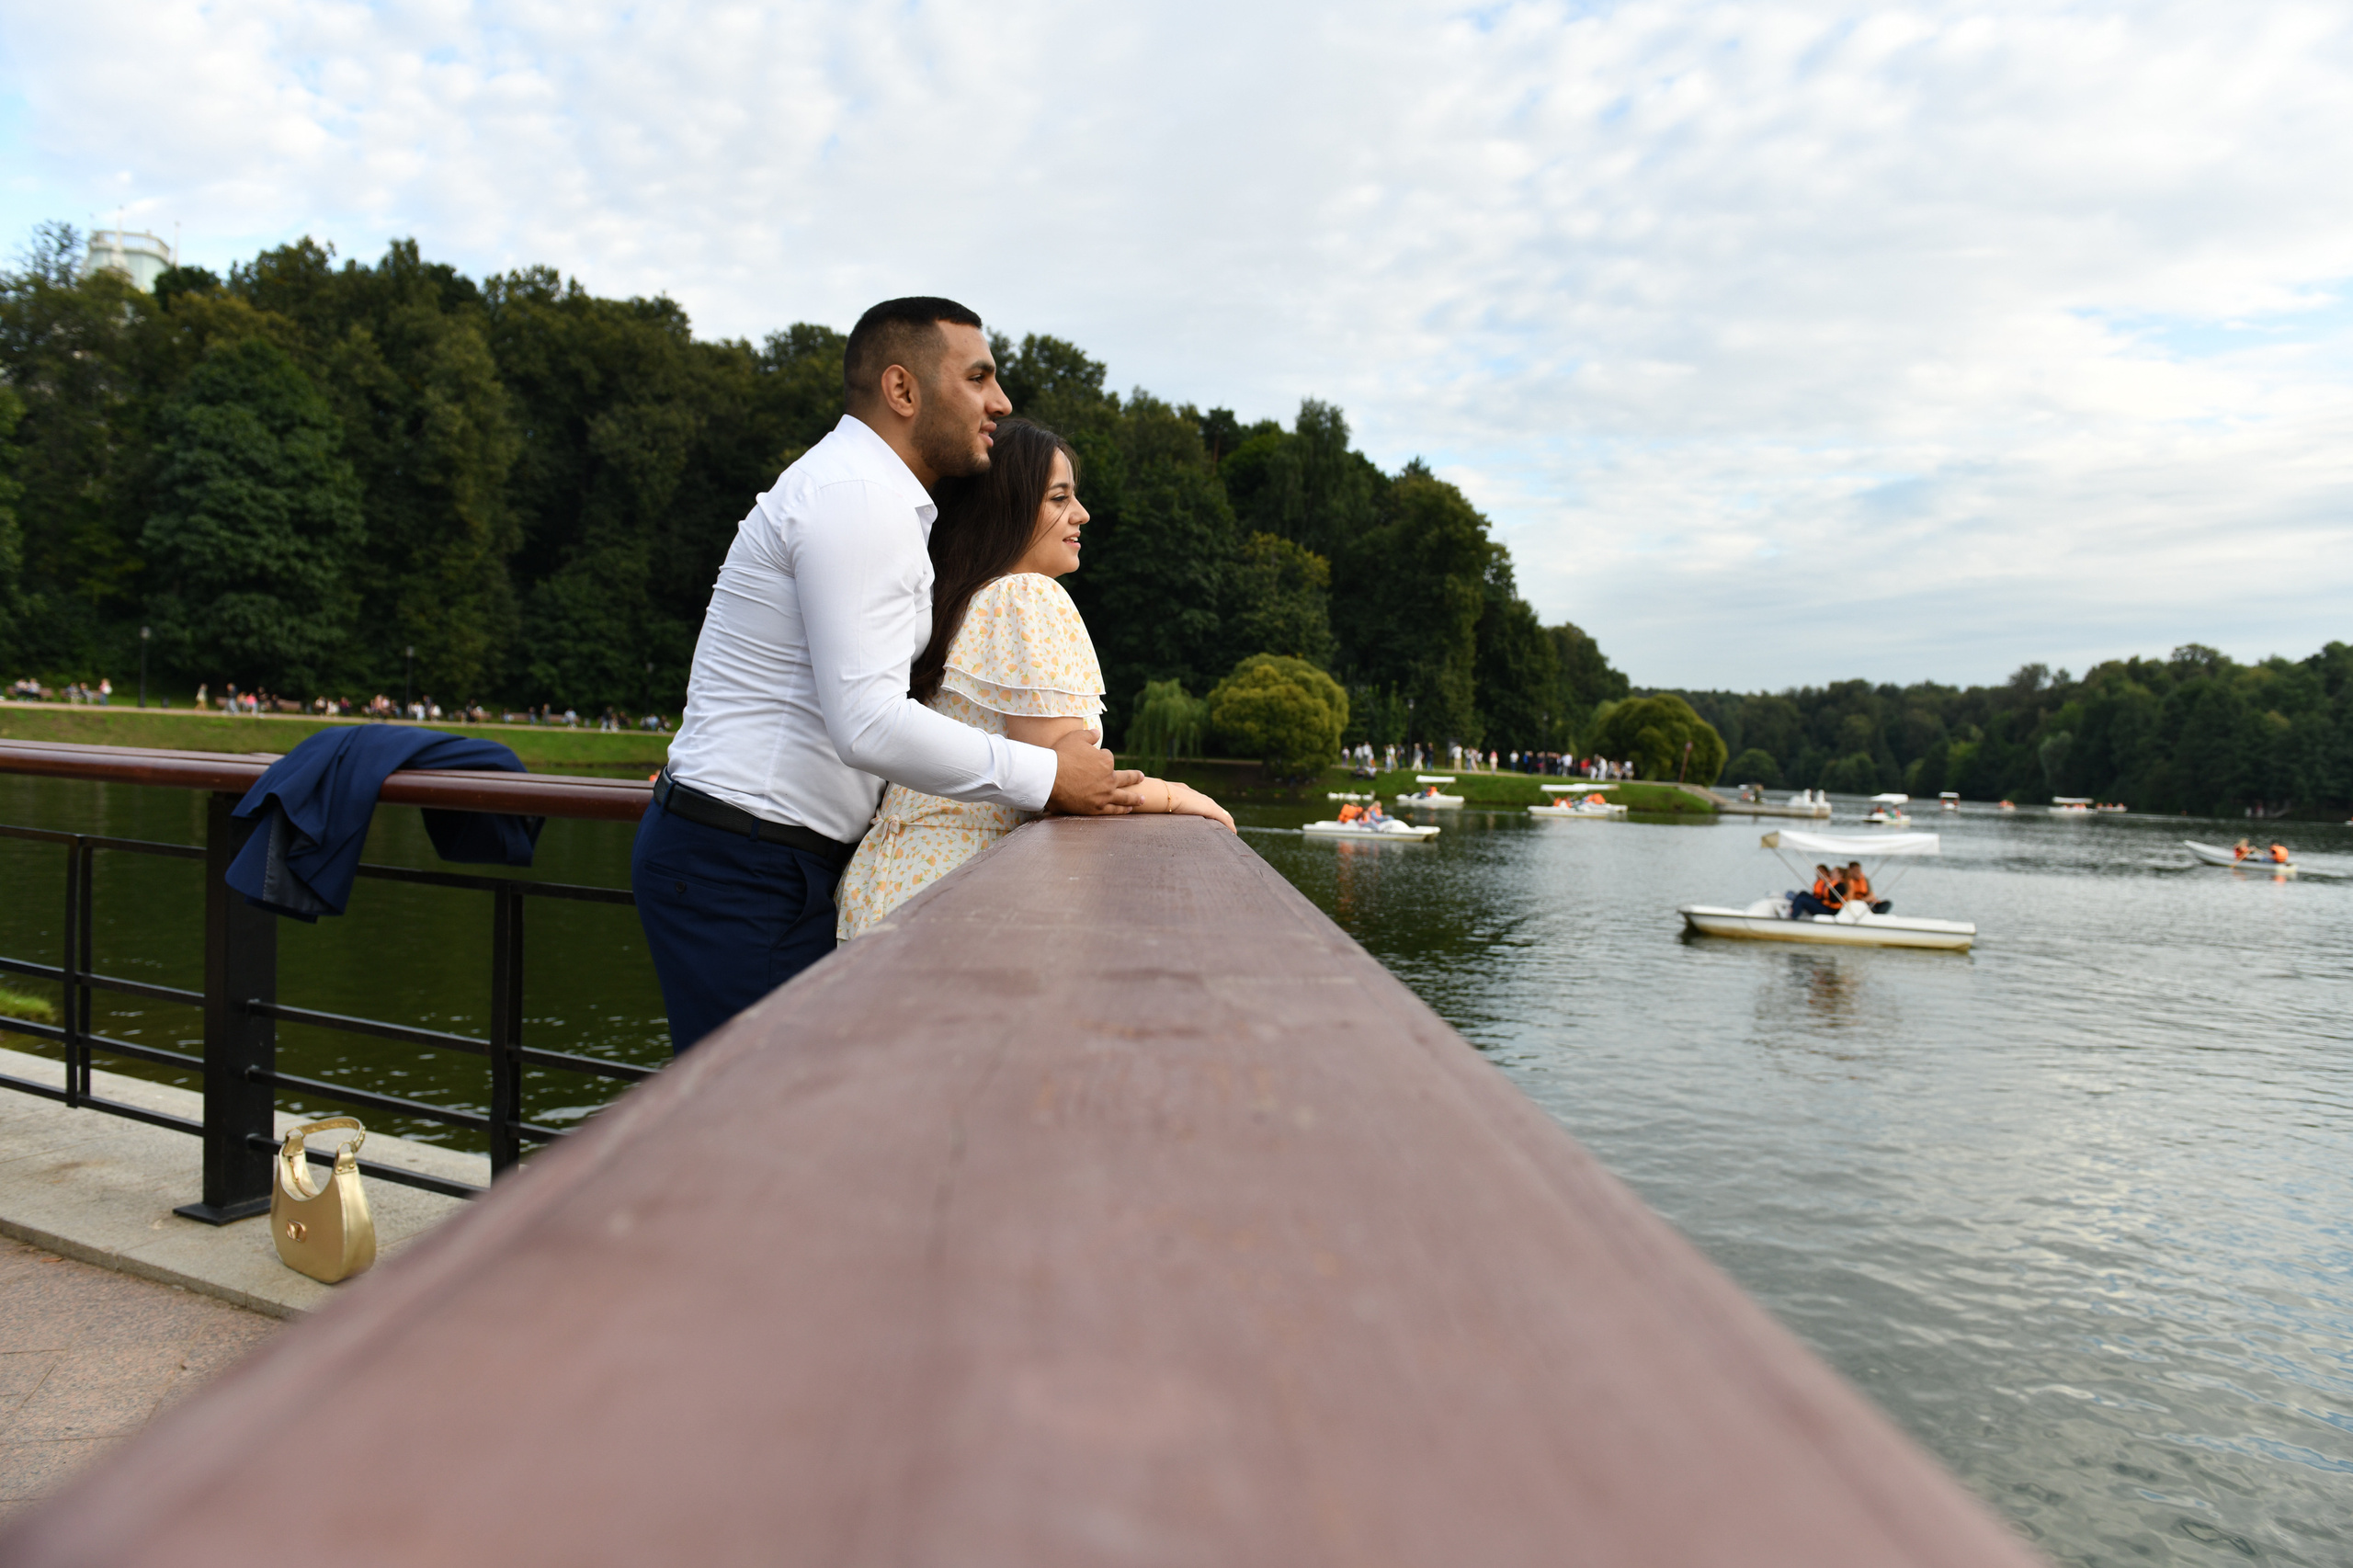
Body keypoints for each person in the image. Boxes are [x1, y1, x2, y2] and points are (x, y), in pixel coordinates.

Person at [633, 299, 1144, 1052]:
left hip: (755, 853)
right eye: (978, 378)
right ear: (903, 392)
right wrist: (1046, 776)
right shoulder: (859, 502)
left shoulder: (881, 502)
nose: (1000, 403)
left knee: (774, 1124)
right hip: (742, 862)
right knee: (762, 1133)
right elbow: (868, 721)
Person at [835, 421, 1231, 937]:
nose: (1082, 514)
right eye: (1059, 498)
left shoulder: (964, 602)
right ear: (1008, 509)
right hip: (955, 895)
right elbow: (1067, 784)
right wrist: (1176, 795)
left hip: (896, 885)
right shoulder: (1026, 597)